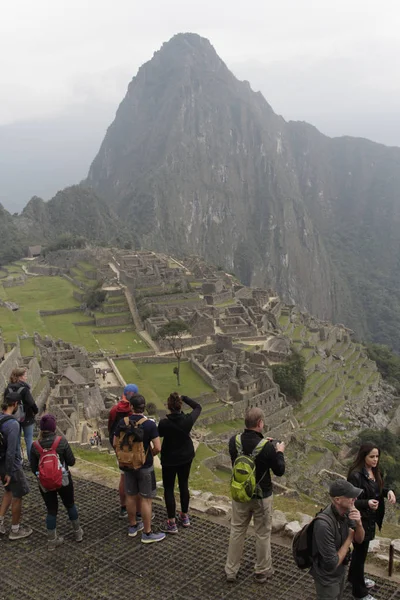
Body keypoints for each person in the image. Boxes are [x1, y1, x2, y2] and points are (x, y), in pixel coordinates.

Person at [225, 407, 285, 583]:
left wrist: (263, 443)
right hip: (261, 496)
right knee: (262, 533)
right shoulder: (267, 448)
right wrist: (279, 451)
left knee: (237, 530)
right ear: (260, 423)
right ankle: (262, 570)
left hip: (240, 494)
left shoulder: (233, 441)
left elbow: (243, 454)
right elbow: (279, 470)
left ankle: (231, 570)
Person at [347, 442, 397, 600]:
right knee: (359, 555)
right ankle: (359, 592)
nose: (376, 459)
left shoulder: (374, 471)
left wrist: (388, 491)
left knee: (360, 554)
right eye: (372, 456)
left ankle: (354, 578)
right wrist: (366, 503)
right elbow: (349, 501)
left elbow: (377, 488)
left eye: (377, 456)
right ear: (364, 457)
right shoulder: (355, 475)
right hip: (359, 520)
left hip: (370, 519)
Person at [113, 393, 165, 544]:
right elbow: (158, 447)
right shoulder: (149, 424)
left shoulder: (123, 422)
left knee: (130, 496)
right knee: (146, 500)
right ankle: (147, 533)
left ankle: (133, 526)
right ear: (144, 407)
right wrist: (148, 455)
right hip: (145, 466)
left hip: (127, 465)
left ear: (131, 407)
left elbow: (116, 443)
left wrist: (126, 456)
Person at [30, 414, 83, 550]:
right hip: (63, 479)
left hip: (45, 483)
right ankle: (78, 533)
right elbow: (71, 461)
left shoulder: (35, 446)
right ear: (54, 427)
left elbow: (33, 468)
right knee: (70, 504)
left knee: (51, 510)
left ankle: (52, 540)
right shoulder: (61, 441)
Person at [310, 479, 365, 600]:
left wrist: (359, 524)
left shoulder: (346, 512)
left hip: (341, 570)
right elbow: (331, 563)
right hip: (327, 577)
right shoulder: (323, 525)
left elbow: (360, 540)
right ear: (338, 500)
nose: (355, 499)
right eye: (351, 496)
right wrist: (349, 538)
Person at [158, 392, 202, 533]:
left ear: (169, 406)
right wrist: (185, 398)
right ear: (180, 405)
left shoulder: (164, 423)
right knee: (183, 485)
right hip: (185, 457)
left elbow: (159, 434)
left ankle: (171, 522)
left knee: (169, 489)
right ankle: (184, 516)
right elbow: (198, 407)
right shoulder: (187, 420)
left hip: (169, 459)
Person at [0, 392, 32, 540]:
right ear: (15, 405)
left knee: (8, 491)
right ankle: (15, 530)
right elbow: (12, 450)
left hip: (1, 463)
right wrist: (9, 472)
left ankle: (0, 521)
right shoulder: (13, 424)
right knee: (18, 495)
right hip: (11, 466)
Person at [108, 383, 141, 519]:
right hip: (135, 448)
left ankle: (123, 508)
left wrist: (116, 447)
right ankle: (138, 512)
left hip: (120, 448)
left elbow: (111, 429)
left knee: (123, 477)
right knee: (137, 479)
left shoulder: (114, 410)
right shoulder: (135, 411)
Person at [5, 367, 38, 462]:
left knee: (17, 440)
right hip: (27, 417)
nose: (26, 377)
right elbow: (31, 403)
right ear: (19, 377)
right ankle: (32, 461)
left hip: (13, 418)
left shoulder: (8, 388)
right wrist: (35, 411)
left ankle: (18, 461)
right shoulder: (24, 389)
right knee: (29, 440)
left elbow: (5, 403)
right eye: (25, 375)